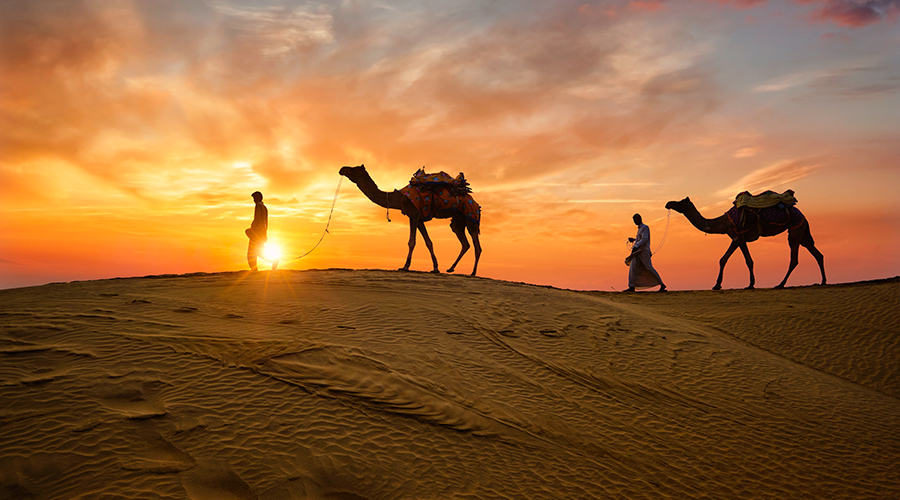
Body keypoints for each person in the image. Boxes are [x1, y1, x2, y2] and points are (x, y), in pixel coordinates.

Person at [624, 213, 665, 292]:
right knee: (633, 267)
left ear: (640, 219)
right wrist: (634, 240)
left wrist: (636, 246)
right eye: (634, 220)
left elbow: (645, 239)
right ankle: (631, 287)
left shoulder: (645, 227)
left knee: (648, 267)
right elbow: (640, 239)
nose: (635, 221)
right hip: (638, 251)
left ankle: (662, 284)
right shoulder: (640, 229)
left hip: (643, 251)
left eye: (635, 219)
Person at [246, 191, 278, 271]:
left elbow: (257, 219)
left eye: (254, 198)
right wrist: (264, 233)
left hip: (256, 232)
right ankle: (273, 260)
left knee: (252, 252)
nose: (253, 200)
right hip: (261, 232)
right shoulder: (264, 207)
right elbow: (266, 222)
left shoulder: (258, 206)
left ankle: (254, 268)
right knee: (259, 251)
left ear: (257, 198)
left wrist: (251, 229)